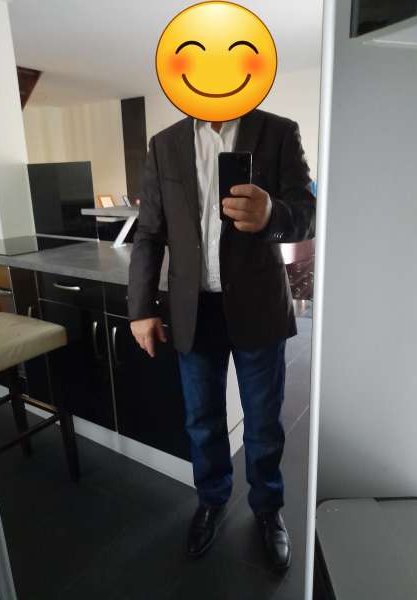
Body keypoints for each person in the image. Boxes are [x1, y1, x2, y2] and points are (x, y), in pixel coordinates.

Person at [127, 108, 316, 571]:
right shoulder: (164, 144)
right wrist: (141, 307)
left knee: (263, 421)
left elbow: (308, 215)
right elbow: (149, 233)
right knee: (202, 420)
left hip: (258, 304)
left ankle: (267, 509)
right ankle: (211, 501)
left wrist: (272, 214)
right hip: (194, 309)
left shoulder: (278, 132)